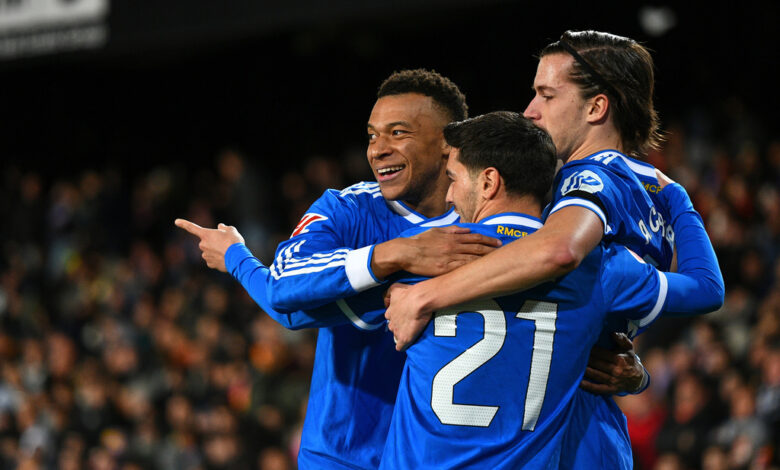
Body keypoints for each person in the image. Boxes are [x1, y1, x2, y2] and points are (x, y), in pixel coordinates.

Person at [384, 31, 725, 468]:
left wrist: (425, 295)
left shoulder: (587, 179)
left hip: (556, 434)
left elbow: (559, 250)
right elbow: (705, 288)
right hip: (599, 436)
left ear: (596, 108)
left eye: (547, 94)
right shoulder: (655, 195)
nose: (531, 110)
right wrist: (679, 200)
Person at [176, 69, 502, 469]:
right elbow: (284, 284)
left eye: (398, 133)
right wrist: (395, 253)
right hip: (343, 457)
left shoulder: (486, 222)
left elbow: (290, 309)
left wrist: (237, 259)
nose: (378, 150)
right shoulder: (346, 209)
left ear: (447, 144)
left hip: (447, 456)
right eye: (372, 136)